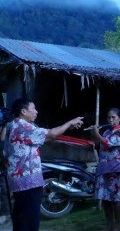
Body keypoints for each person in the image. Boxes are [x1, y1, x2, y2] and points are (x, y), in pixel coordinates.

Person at [6, 98, 83, 231]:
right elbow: (52, 133)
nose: (36, 112)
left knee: (22, 219)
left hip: (23, 182)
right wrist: (70, 121)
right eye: (33, 109)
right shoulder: (23, 126)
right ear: (24, 111)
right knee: (29, 221)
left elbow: (45, 137)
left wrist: (66, 127)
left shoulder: (16, 126)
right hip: (28, 182)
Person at [91, 108, 120, 231]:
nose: (110, 120)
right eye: (108, 118)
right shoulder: (106, 132)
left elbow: (108, 145)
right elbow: (98, 144)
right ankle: (109, 223)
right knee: (105, 198)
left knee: (115, 198)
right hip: (103, 169)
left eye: (113, 117)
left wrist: (97, 135)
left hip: (114, 170)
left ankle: (117, 225)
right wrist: (95, 135)